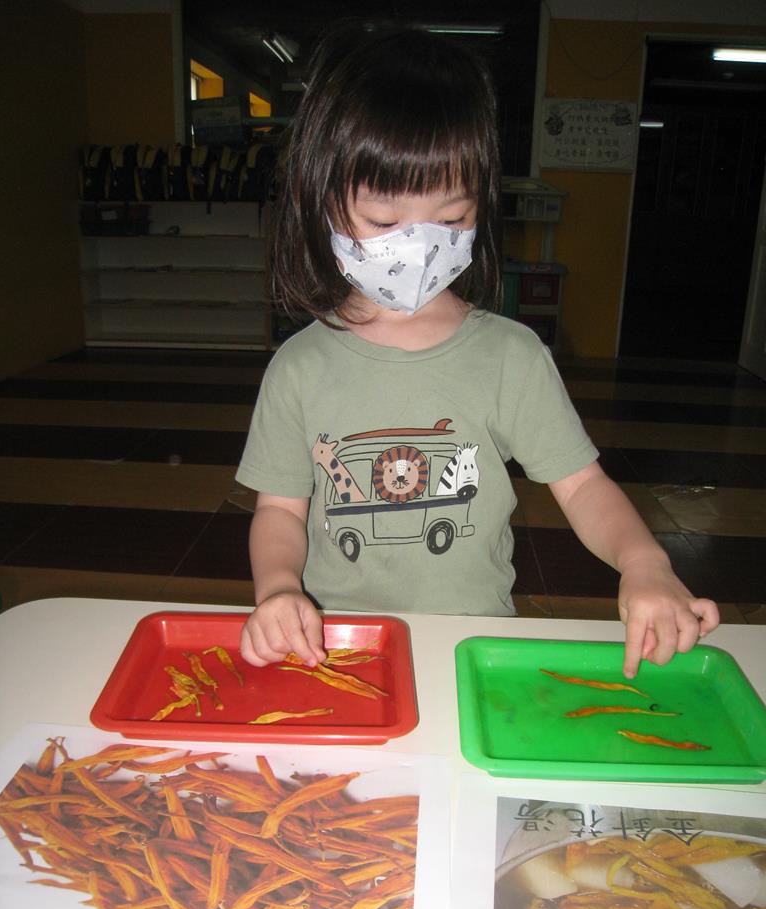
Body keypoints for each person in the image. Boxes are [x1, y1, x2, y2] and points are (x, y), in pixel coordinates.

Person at [235, 23, 718, 679]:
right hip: (337, 646)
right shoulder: (298, 367)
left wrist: (645, 564)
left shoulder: (511, 356)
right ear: (318, 199)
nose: (418, 246)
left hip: (474, 644)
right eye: (384, 222)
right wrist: (277, 590)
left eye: (452, 219)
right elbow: (279, 512)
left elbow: (583, 487)